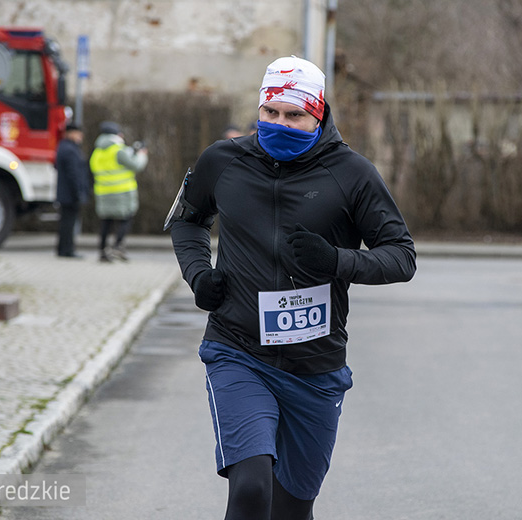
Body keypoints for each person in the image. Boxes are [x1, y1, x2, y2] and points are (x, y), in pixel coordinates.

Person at [166, 56, 416, 520]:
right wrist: (199, 275)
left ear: (318, 113)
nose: (280, 124)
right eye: (270, 112)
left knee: (292, 508)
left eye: (295, 115)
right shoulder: (223, 161)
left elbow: (402, 256)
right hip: (238, 350)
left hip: (315, 366)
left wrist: (336, 260)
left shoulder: (352, 173)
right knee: (250, 488)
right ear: (259, 109)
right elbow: (187, 222)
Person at [89, 121, 148, 262]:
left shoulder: (96, 152)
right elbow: (135, 165)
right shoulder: (118, 150)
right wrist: (141, 155)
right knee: (126, 218)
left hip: (103, 191)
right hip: (122, 191)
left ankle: (102, 251)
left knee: (106, 221)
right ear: (116, 134)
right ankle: (117, 247)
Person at [55, 122, 90, 258]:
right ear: (70, 133)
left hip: (65, 193)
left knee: (66, 222)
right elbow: (74, 174)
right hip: (70, 193)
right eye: (78, 133)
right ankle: (67, 250)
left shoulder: (64, 147)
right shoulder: (70, 150)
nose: (80, 136)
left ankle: (62, 249)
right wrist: (79, 193)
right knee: (68, 223)